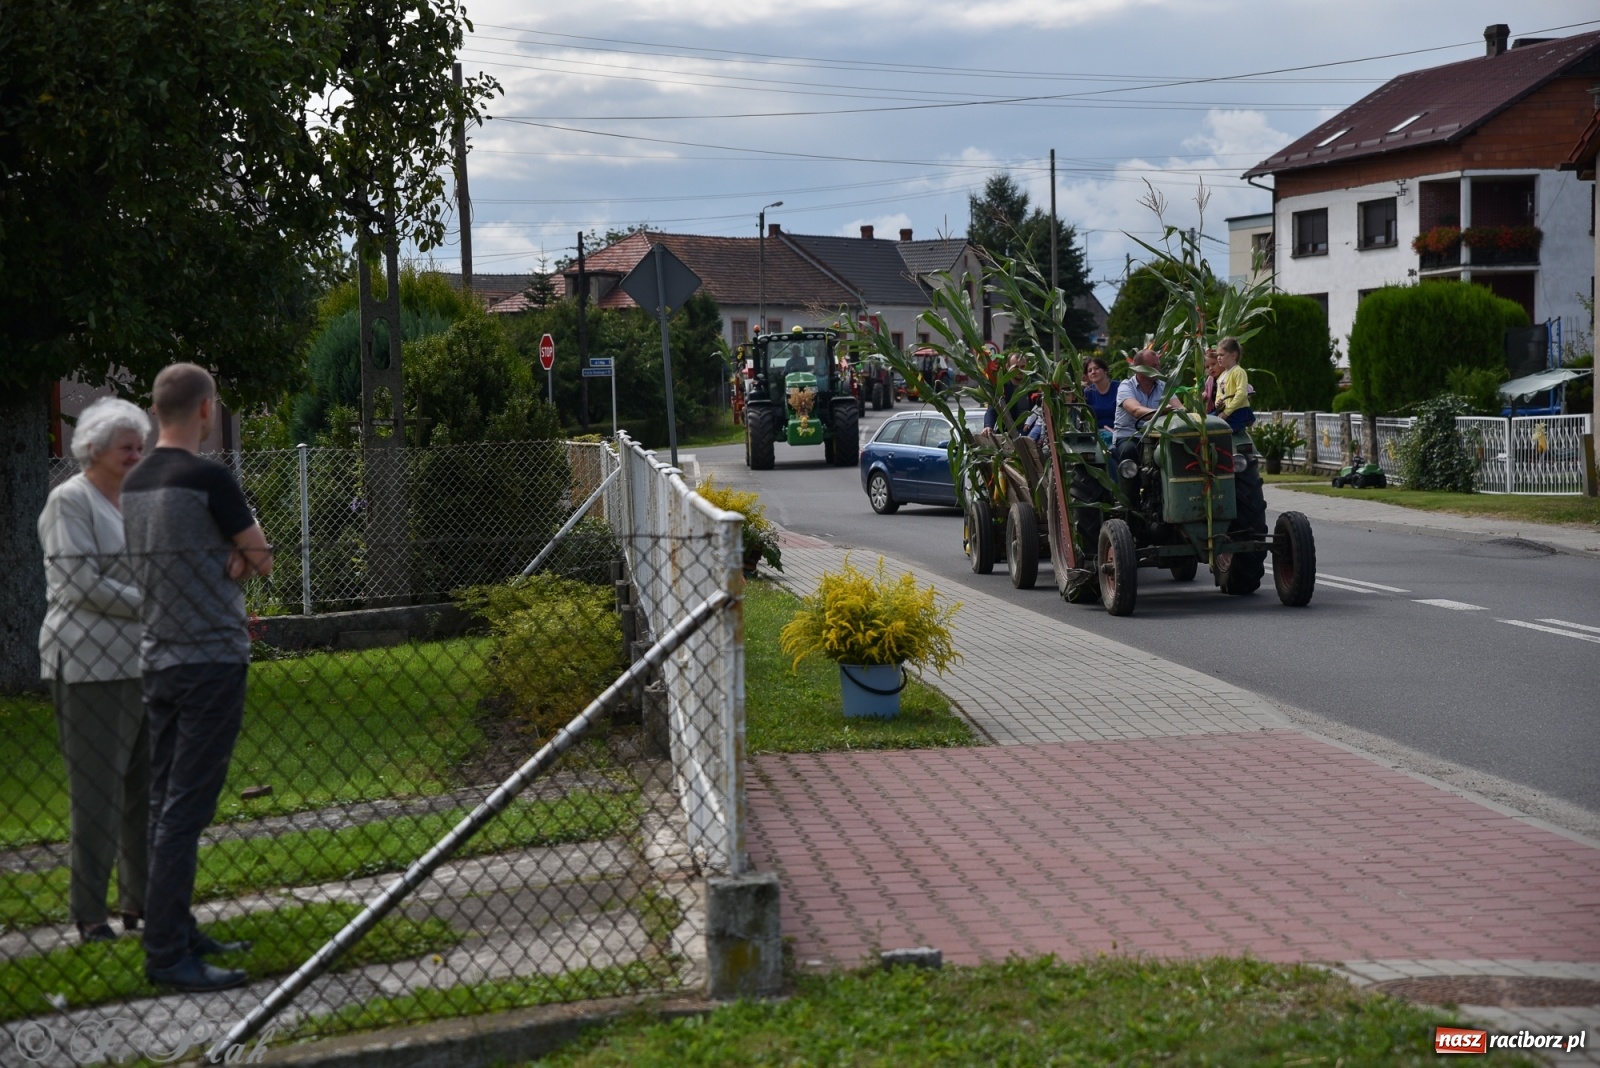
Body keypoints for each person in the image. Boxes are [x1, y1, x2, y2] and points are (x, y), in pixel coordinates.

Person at [122, 364, 273, 993]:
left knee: (164, 803)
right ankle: (166, 955)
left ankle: (178, 930)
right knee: (186, 809)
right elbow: (261, 557)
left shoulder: (134, 482)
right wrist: (234, 561)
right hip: (212, 658)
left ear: (157, 410)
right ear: (206, 409)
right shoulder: (210, 478)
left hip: (157, 657)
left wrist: (223, 557)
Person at [37, 398, 153, 945]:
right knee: (97, 792)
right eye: (126, 447)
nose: (137, 454)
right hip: (87, 665)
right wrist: (152, 600)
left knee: (145, 788)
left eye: (140, 445)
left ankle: (141, 901)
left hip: (143, 660)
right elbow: (77, 583)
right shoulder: (69, 502)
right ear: (94, 450)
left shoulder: (135, 499)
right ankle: (89, 912)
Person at [1112, 349, 1181, 497]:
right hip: (1131, 435)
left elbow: (1179, 407)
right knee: (1129, 452)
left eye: (1158, 365)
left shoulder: (1164, 386)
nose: (1159, 370)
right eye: (1154, 366)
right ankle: (1131, 502)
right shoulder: (1126, 387)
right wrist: (1161, 411)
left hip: (1158, 436)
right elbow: (1136, 411)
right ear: (1140, 369)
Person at [1213, 336, 1256, 431]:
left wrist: (1226, 413)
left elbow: (1241, 394)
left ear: (1233, 355)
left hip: (1239, 412)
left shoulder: (1238, 372)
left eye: (1222, 355)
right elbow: (1219, 396)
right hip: (1227, 411)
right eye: (1217, 355)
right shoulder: (1221, 376)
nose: (1218, 358)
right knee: (1207, 422)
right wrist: (1218, 404)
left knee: (1219, 430)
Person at [1082, 357, 1119, 443]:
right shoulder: (1088, 392)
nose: (1093, 372)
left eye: (1096, 368)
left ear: (1105, 370)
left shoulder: (1119, 388)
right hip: (1097, 436)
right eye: (1089, 370)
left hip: (1118, 434)